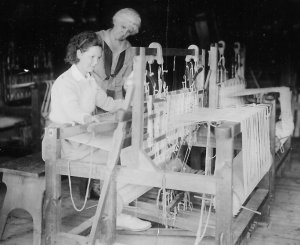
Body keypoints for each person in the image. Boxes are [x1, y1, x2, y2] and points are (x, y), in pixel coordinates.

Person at [44, 31, 151, 232]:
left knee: (122, 149)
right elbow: (72, 109)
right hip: (63, 142)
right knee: (116, 153)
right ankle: (115, 213)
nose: (95, 62)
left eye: (98, 58)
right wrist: (86, 118)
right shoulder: (65, 81)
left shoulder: (89, 79)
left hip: (81, 135)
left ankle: (115, 210)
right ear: (78, 54)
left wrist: (130, 105)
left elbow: (106, 102)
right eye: (91, 57)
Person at [93, 8, 141, 99]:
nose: (125, 32)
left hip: (114, 97)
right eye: (123, 27)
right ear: (115, 21)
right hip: (91, 95)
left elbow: (127, 81)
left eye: (129, 31)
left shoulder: (129, 50)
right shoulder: (96, 38)